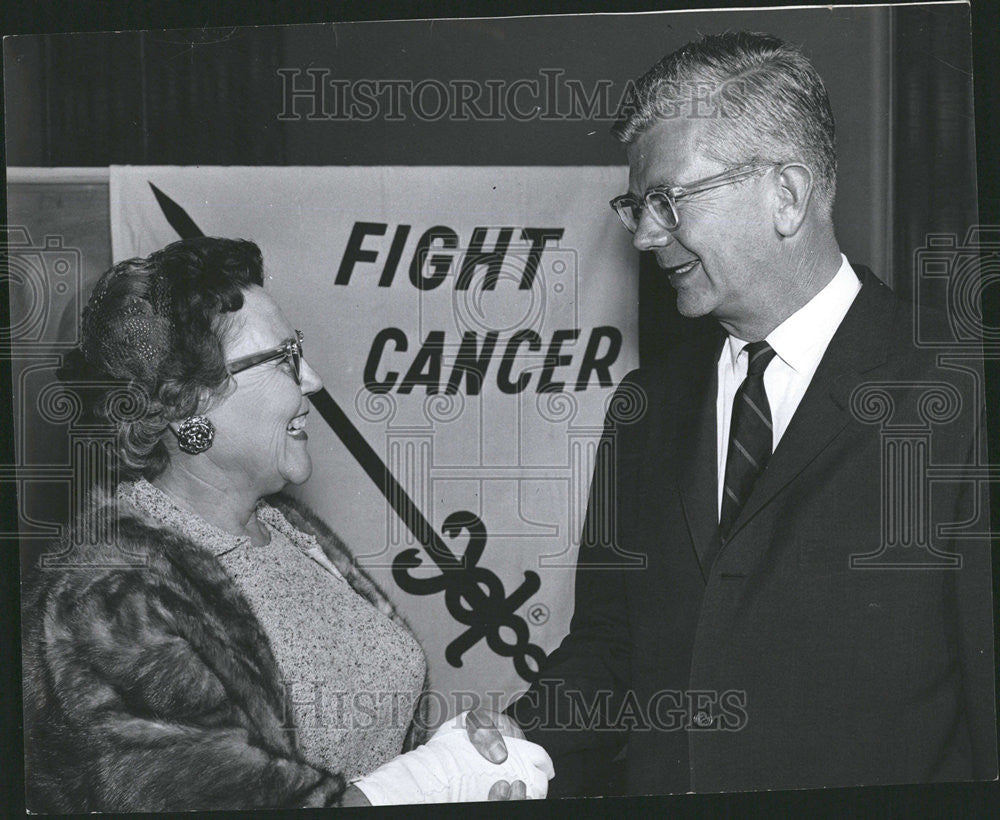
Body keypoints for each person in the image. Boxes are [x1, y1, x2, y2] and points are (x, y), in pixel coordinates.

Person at [505, 31, 997, 795]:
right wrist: (514, 747)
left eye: (667, 200)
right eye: (637, 205)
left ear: (788, 195)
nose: (642, 234)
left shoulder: (960, 391)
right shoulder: (643, 408)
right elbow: (609, 648)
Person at [21, 237, 552, 811]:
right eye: (282, 360)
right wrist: (434, 779)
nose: (314, 381)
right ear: (185, 403)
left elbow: (360, 752)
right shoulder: (106, 595)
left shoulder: (290, 534)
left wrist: (456, 752)